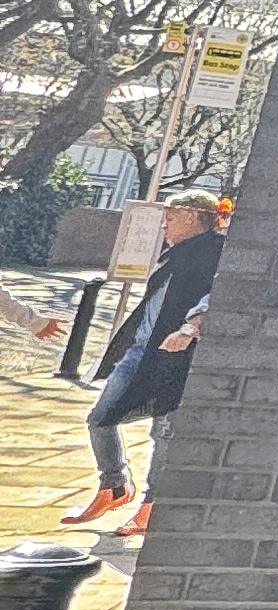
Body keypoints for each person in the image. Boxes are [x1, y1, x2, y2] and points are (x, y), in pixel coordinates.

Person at [63, 192, 222, 538]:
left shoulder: (215, 251)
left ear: (193, 216)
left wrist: (190, 329)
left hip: (177, 353)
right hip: (141, 349)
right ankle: (115, 486)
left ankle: (151, 507)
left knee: (164, 430)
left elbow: (217, 296)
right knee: (101, 419)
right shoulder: (174, 253)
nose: (164, 224)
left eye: (171, 217)